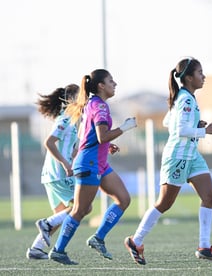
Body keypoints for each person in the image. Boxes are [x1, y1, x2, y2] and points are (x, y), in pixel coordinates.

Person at [124, 57, 212, 266]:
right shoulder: (185, 99)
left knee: (209, 196)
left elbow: (167, 121)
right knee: (165, 203)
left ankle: (204, 247)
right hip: (178, 156)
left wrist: (195, 124)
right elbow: (179, 130)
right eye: (200, 73)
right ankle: (136, 241)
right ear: (188, 78)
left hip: (192, 155)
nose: (203, 76)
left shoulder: (185, 96)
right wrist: (204, 131)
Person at [48, 69, 137, 265]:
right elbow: (101, 136)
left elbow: (86, 136)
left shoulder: (92, 104)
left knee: (123, 199)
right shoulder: (100, 107)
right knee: (80, 210)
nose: (115, 84)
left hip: (98, 162)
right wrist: (124, 127)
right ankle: (58, 249)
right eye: (111, 81)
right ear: (101, 86)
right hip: (90, 163)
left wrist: (106, 145)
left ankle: (98, 238)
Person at [26, 84, 81, 260]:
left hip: (52, 174)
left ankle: (36, 248)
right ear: (72, 99)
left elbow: (71, 149)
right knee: (84, 206)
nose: (85, 100)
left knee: (62, 215)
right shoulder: (65, 119)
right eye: (82, 96)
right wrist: (66, 164)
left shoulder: (73, 121)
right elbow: (48, 142)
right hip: (58, 173)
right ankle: (45, 223)